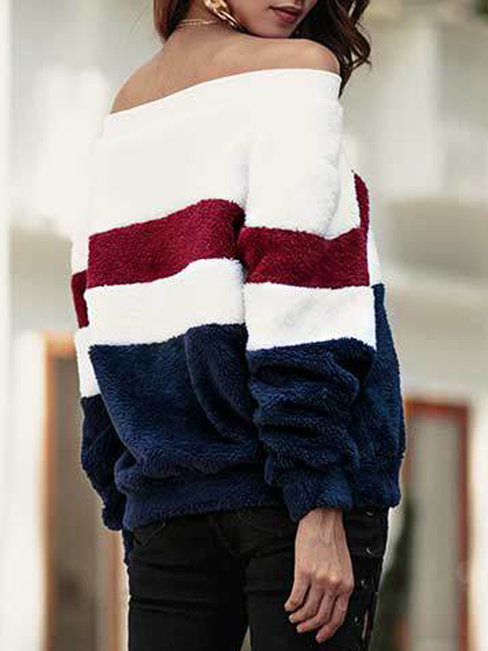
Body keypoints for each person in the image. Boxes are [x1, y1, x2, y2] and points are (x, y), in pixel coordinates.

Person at [69, 0, 407, 648]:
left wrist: (128, 495)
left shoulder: (126, 107)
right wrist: (319, 497)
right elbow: (298, 290)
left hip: (168, 503)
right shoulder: (299, 70)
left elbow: (99, 308)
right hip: (296, 501)